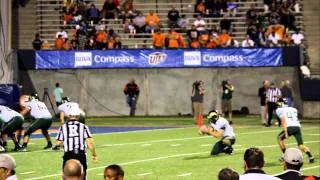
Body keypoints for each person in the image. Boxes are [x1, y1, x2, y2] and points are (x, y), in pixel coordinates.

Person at [54, 106, 98, 179]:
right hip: (80, 154)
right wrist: (94, 155)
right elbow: (90, 142)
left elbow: (58, 143)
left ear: (68, 116)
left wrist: (64, 145)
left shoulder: (63, 127)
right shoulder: (83, 126)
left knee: (67, 176)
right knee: (81, 176)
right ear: (78, 116)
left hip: (68, 154)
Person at [276, 98, 314, 163]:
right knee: (300, 145)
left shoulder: (279, 110)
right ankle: (310, 156)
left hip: (289, 127)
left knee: (279, 139)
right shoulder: (294, 109)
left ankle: (285, 156)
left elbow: (283, 120)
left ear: (281, 103)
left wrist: (286, 132)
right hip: (297, 127)